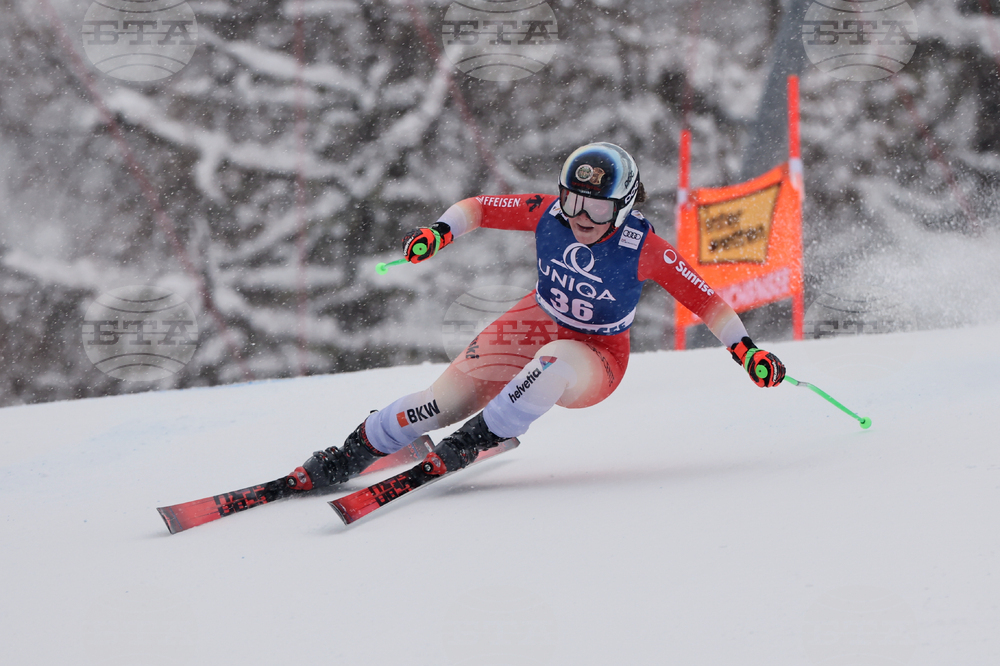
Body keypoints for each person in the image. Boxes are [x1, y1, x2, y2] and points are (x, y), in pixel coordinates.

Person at [287, 142, 786, 490]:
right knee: (437, 402)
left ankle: (478, 439)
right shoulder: (549, 213)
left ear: (624, 207)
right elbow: (480, 207)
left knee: (553, 362)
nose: (581, 218)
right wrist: (439, 232)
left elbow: (707, 301)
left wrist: (747, 352)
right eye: (573, 201)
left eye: (596, 209)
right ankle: (354, 449)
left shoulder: (645, 247)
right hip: (534, 319)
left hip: (596, 355)